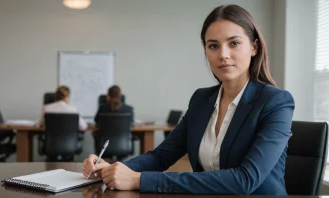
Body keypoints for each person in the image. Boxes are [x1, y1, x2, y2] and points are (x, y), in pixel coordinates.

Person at [82, 4, 295, 195]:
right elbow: (161, 156)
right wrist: (114, 169)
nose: (223, 54)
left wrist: (139, 179)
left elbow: (245, 180)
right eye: (213, 46)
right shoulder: (202, 99)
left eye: (234, 43)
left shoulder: (276, 102)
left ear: (254, 47)